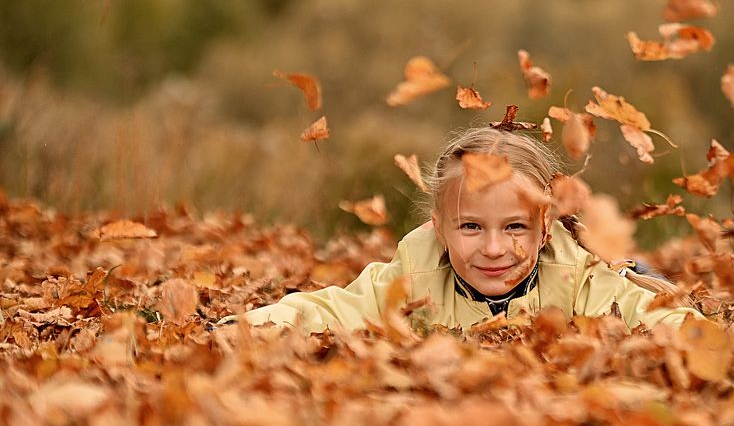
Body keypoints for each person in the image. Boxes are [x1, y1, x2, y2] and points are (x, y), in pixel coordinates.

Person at [227, 127, 701, 333]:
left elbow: (653, 319)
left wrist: (698, 341)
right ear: (440, 227)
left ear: (544, 228)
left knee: (636, 276)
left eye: (514, 226)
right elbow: (328, 310)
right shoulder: (414, 273)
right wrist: (246, 329)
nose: (494, 248)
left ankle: (643, 268)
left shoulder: (576, 275)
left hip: (607, 270)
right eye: (471, 226)